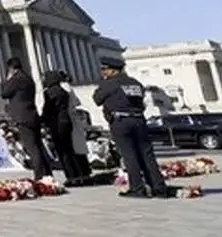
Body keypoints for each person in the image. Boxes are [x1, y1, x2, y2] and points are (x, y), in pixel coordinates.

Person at [92, 57, 170, 199]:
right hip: (139, 120)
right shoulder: (135, 83)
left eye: (105, 69)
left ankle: (137, 188)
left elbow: (97, 99)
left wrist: (103, 83)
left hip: (121, 122)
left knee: (129, 155)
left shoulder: (110, 84)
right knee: (147, 155)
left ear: (113, 70)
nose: (103, 72)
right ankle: (159, 187)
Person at [0, 57, 52, 180]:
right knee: (39, 145)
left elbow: (4, 93)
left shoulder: (16, 79)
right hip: (32, 114)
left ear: (11, 68)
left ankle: (39, 175)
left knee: (31, 147)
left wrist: (7, 80)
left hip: (22, 116)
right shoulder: (28, 79)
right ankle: (48, 173)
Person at [40, 71, 91, 187]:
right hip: (67, 121)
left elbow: (48, 108)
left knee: (63, 152)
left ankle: (71, 176)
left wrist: (42, 120)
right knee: (71, 150)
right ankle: (79, 176)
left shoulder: (50, 92)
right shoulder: (63, 91)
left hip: (57, 123)